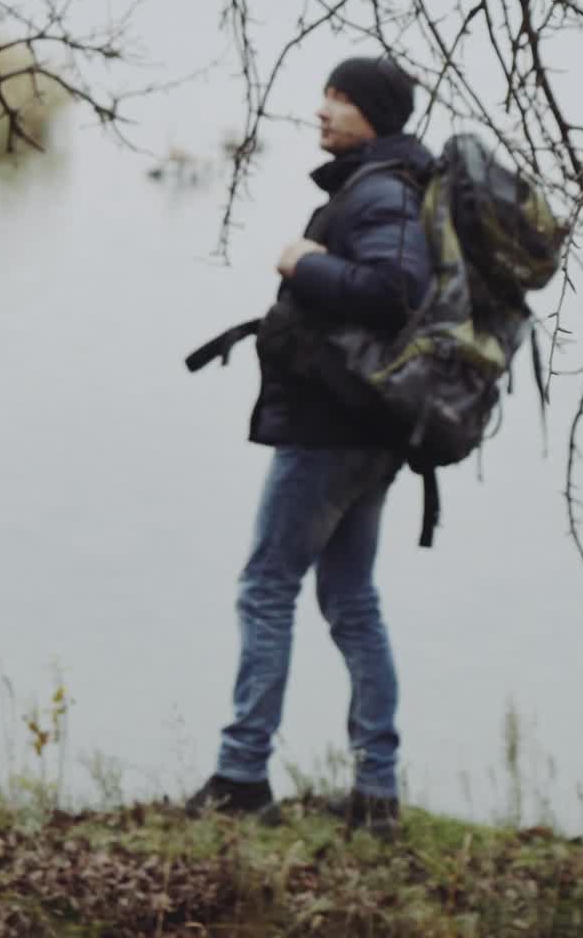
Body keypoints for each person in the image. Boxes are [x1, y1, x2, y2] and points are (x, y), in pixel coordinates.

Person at [186, 55, 434, 834]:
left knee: (267, 587)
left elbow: (394, 292)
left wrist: (306, 261)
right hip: (366, 429)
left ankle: (240, 776)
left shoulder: (384, 192)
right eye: (326, 94)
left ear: (377, 114)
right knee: (351, 598)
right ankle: (376, 792)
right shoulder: (381, 186)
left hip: (333, 431)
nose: (323, 109)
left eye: (342, 98)